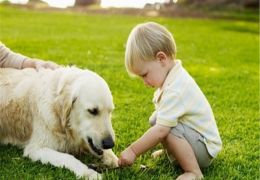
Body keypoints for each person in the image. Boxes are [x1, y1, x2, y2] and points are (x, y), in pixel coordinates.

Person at [118, 22, 222, 180]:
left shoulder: (176, 89)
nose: (144, 82)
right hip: (195, 141)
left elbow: (161, 131)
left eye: (144, 75)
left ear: (161, 59)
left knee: (166, 127)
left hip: (204, 150)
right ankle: (173, 152)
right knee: (157, 119)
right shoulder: (172, 77)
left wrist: (133, 151)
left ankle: (193, 171)